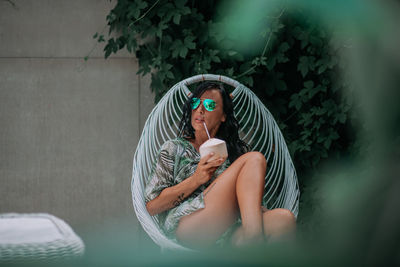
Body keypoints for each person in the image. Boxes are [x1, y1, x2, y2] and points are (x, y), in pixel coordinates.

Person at [145, 82, 296, 249]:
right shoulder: (173, 148)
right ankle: (255, 240)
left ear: (223, 115)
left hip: (228, 233)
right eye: (196, 102)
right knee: (254, 159)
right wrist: (196, 179)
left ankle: (253, 240)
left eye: (209, 105)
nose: (200, 110)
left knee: (284, 219)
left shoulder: (234, 154)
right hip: (189, 227)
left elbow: (250, 205)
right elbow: (152, 207)